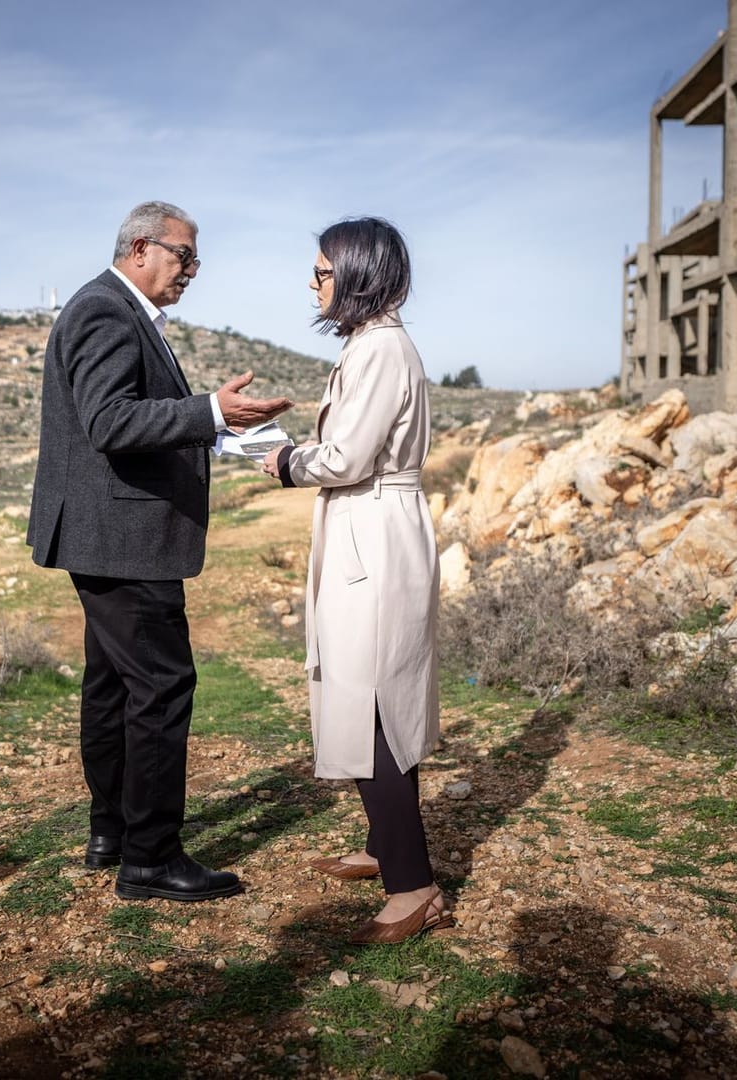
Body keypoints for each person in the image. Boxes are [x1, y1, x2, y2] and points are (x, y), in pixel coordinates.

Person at [29, 200, 292, 902]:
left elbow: (135, 420)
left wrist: (223, 428)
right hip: (125, 539)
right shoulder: (106, 311)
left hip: (112, 536)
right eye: (185, 256)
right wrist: (208, 410)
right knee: (161, 686)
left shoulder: (119, 310)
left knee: (113, 686)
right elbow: (110, 422)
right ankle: (149, 858)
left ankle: (112, 831)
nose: (193, 271)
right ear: (141, 247)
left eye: (195, 259)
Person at [260, 217, 450, 944]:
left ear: (357, 273)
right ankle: (385, 845)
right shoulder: (375, 348)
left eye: (321, 271)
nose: (312, 285)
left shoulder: (380, 351)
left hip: (373, 529)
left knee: (373, 699)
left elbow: (345, 460)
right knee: (367, 685)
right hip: (368, 527)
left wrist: (284, 462)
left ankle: (415, 886)